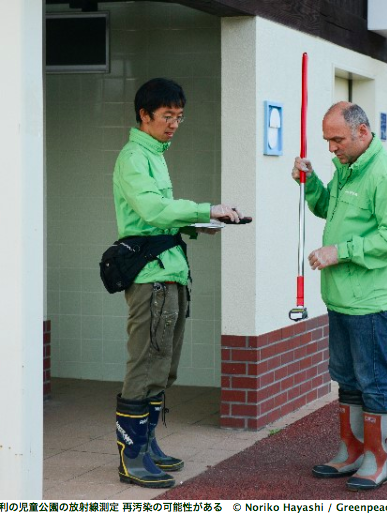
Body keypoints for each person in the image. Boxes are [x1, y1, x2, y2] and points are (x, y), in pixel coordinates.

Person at [112, 78, 242, 489]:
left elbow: (164, 214)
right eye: (167, 116)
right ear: (144, 115)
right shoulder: (134, 156)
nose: (174, 124)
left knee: (163, 368)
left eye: (179, 117)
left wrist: (202, 224)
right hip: (151, 278)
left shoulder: (155, 154)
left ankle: (147, 447)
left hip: (169, 274)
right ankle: (131, 458)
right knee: (145, 365)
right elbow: (151, 209)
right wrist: (206, 208)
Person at [291, 102, 387, 491]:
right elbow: (328, 207)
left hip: (370, 300)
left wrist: (339, 251)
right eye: (327, 140)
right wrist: (309, 183)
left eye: (337, 140)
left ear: (362, 132)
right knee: (346, 379)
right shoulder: (346, 166)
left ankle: (377, 461)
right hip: (341, 296)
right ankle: (351, 451)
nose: (331, 148)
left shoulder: (384, 174)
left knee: (372, 380)